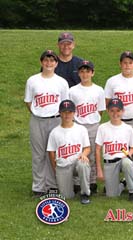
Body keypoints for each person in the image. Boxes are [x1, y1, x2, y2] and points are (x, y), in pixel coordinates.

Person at [24, 50, 69, 198]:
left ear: (56, 63)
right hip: (38, 120)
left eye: (52, 60)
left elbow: (64, 104)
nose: (49, 63)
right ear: (41, 62)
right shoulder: (32, 80)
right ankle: (38, 186)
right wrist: (37, 113)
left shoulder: (62, 82)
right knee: (38, 154)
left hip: (56, 119)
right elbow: (28, 101)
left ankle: (52, 185)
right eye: (46, 60)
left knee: (53, 153)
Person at [69, 60, 106, 194]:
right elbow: (71, 111)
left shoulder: (99, 90)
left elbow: (100, 110)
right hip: (78, 125)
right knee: (77, 153)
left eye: (88, 71)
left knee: (91, 155)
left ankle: (92, 181)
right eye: (82, 71)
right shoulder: (72, 91)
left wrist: (92, 120)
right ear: (78, 73)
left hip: (93, 125)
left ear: (92, 73)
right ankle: (77, 182)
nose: (85, 74)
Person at [95, 98, 133, 202]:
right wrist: (99, 170)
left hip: (122, 159)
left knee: (127, 163)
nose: (115, 114)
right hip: (109, 162)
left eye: (118, 111)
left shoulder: (128, 128)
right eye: (112, 111)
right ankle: (122, 183)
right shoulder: (102, 128)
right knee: (112, 196)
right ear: (108, 111)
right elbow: (97, 149)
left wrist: (129, 153)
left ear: (123, 111)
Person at [47, 100, 91, 204]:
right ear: (60, 113)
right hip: (63, 166)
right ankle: (73, 187)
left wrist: (84, 154)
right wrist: (55, 169)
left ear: (74, 113)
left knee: (83, 164)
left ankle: (85, 193)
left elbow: (87, 148)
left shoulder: (81, 129)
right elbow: (51, 153)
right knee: (67, 197)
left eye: (70, 112)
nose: (67, 115)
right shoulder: (54, 132)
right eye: (64, 112)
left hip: (77, 163)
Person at [104, 51, 133, 138]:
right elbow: (108, 103)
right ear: (120, 64)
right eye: (125, 63)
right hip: (118, 121)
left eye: (130, 63)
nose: (127, 65)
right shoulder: (112, 81)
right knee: (120, 148)